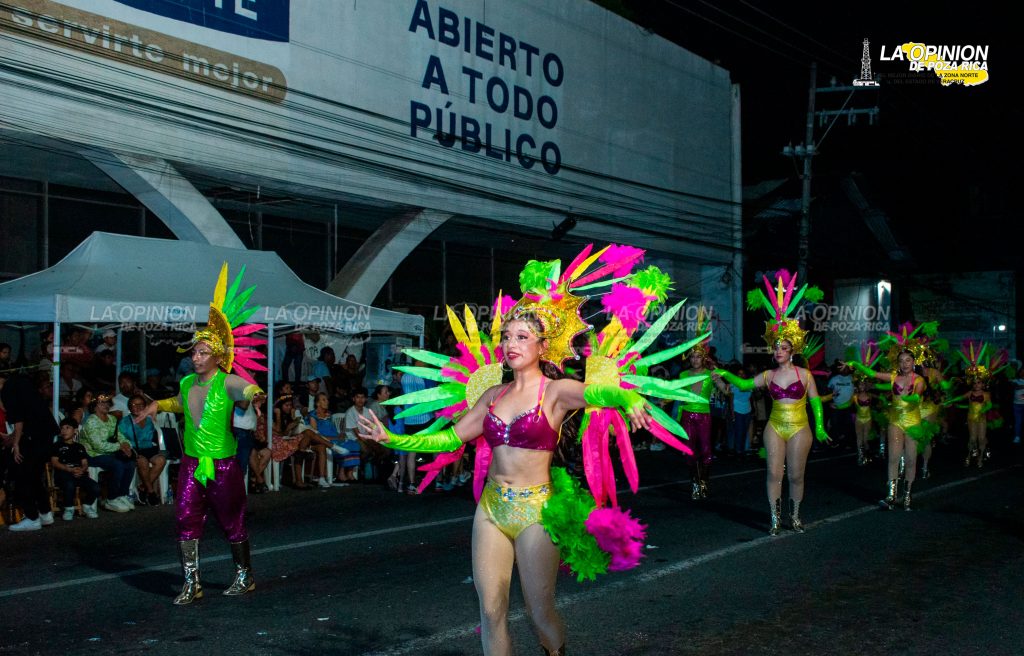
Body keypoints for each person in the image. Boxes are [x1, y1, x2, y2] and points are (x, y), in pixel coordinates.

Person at [359, 244, 696, 656]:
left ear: (542, 346)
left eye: (522, 337)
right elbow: (449, 438)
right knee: (491, 611)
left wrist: (629, 398)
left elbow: (599, 392)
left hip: (536, 511)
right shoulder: (492, 395)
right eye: (506, 336)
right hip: (491, 508)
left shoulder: (555, 392)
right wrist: (391, 438)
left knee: (540, 613)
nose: (510, 344)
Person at [144, 262, 267, 605]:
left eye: (203, 353)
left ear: (217, 356)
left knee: (231, 520)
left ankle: (244, 575)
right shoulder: (186, 382)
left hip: (223, 465)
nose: (196, 357)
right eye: (194, 352)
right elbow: (180, 403)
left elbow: (247, 388)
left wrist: (256, 396)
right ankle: (191, 582)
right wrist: (158, 405)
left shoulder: (226, 381)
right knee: (185, 519)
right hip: (191, 463)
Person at [714, 270, 829, 534]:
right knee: (774, 474)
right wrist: (724, 373)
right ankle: (775, 518)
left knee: (796, 475)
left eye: (783, 347)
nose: (778, 351)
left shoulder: (805, 375)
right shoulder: (768, 375)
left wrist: (820, 426)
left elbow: (815, 402)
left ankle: (795, 516)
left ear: (792, 351)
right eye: (776, 347)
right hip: (775, 426)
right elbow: (744, 385)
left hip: (800, 428)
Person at [849, 323, 940, 512]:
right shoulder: (893, 377)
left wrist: (909, 398)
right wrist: (855, 364)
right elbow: (872, 373)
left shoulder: (919, 380)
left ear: (914, 362)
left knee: (911, 459)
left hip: (913, 422)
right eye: (901, 361)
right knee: (893, 458)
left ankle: (907, 495)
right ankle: (891, 495)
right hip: (895, 420)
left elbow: (917, 396)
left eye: (908, 360)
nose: (904, 364)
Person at [674, 310, 728, 500]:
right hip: (687, 415)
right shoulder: (683, 375)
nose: (695, 359)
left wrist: (719, 376)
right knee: (689, 453)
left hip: (704, 416)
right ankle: (695, 483)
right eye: (692, 357)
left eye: (698, 356)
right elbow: (673, 392)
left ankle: (704, 481)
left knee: (706, 451)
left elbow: (725, 390)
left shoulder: (709, 374)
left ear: (703, 358)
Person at [1, 370, 59, 531]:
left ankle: (32, 517)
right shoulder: (23, 385)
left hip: (33, 438)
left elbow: (19, 420)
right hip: (45, 435)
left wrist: (16, 444)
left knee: (23, 476)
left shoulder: (8, 390)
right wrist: (14, 437)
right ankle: (45, 513)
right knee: (34, 476)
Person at [79, 393, 136, 513]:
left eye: (107, 403)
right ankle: (111, 498)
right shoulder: (91, 421)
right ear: (94, 406)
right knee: (117, 464)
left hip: (109, 452)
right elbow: (98, 446)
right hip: (93, 454)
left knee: (130, 463)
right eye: (102, 403)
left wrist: (126, 445)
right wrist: (119, 447)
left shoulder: (112, 419)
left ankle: (122, 495)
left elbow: (119, 436)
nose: (106, 405)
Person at [120, 393, 166, 506]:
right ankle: (150, 492)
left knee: (161, 460)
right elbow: (121, 439)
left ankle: (142, 487)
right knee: (143, 461)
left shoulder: (149, 419)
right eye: (134, 404)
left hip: (149, 448)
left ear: (145, 407)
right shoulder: (125, 421)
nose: (137, 407)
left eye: (141, 404)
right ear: (129, 407)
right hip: (134, 449)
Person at [50, 418, 100, 520]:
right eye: (62, 428)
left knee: (95, 487)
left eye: (67, 428)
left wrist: (82, 470)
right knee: (69, 484)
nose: (64, 431)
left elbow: (85, 463)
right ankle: (69, 508)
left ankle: (87, 506)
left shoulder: (79, 447)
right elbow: (54, 462)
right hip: (63, 475)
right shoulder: (57, 445)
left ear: (75, 431)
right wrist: (69, 469)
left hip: (79, 474)